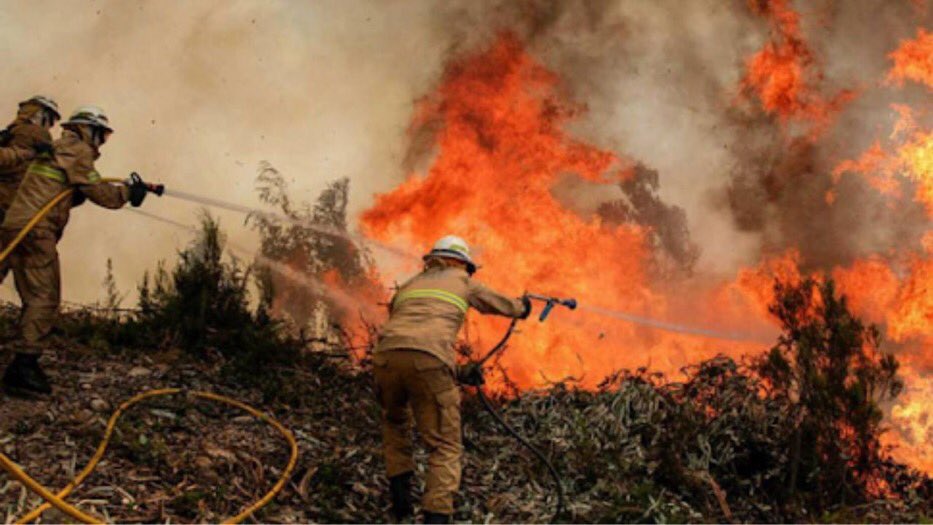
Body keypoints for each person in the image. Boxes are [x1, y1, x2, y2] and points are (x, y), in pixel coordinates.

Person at [373, 235, 531, 523]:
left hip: (385, 358)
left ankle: (401, 505)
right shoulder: (462, 281)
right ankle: (436, 516)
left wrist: (459, 372)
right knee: (444, 445)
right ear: (460, 262)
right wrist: (525, 306)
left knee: (395, 424)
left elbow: (411, 343)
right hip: (428, 360)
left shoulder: (409, 285)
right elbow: (502, 305)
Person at [0, 105, 155, 397]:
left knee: (26, 291)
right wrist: (129, 194)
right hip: (36, 231)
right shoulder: (77, 150)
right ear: (89, 129)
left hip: (14, 226)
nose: (101, 143)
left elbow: (51, 190)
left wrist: (74, 197)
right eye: (101, 135)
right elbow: (103, 194)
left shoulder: (58, 148)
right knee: (43, 298)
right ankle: (23, 368)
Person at [0, 96, 60, 223]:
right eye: (51, 120)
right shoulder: (37, 132)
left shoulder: (11, 131)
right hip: (14, 201)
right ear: (41, 115)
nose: (51, 125)